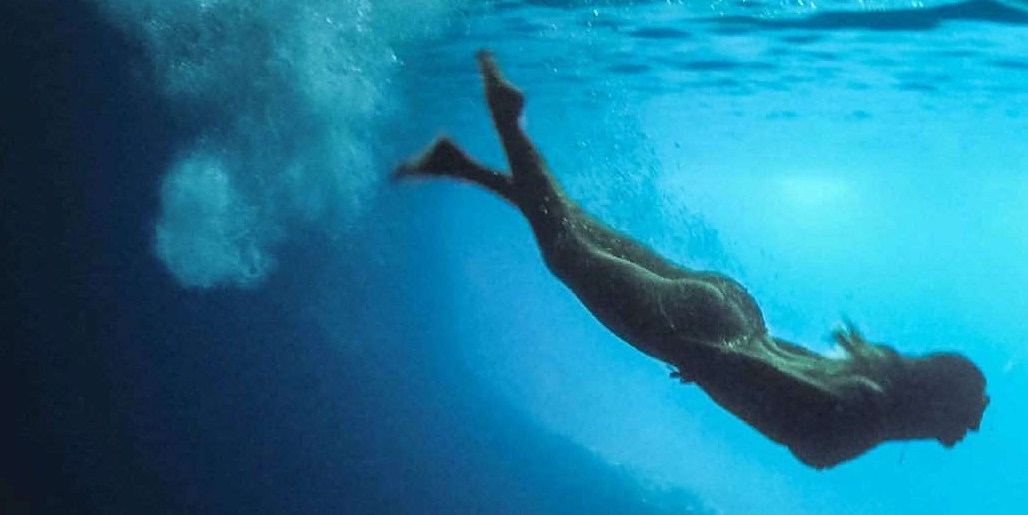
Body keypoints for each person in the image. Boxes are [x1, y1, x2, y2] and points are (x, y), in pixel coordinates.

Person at [393, 50, 990, 469]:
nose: (972, 430)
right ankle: (506, 117)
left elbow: (792, 366)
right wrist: (702, 361)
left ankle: (459, 165)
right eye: (968, 413)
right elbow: (778, 382)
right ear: (933, 399)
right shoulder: (864, 417)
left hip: (734, 311)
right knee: (567, 252)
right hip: (700, 331)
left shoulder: (875, 382)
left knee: (580, 227)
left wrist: (725, 359)